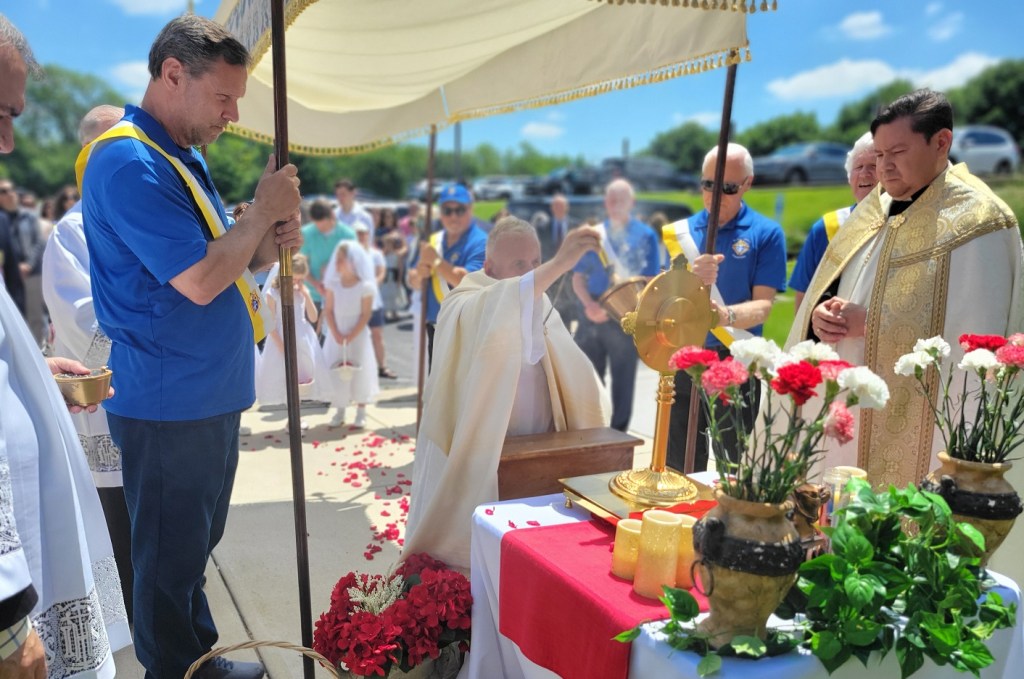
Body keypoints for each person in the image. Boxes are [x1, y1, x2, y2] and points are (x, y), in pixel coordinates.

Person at [80, 14, 302, 679]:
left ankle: (196, 656)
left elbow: (222, 260)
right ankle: (175, 669)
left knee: (191, 548)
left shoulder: (177, 153)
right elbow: (202, 280)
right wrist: (260, 212)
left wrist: (268, 235)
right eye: (224, 98)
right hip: (170, 398)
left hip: (202, 392)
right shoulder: (128, 159)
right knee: (167, 559)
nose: (233, 114)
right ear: (173, 75)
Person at [788, 89, 1024, 493]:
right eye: (878, 155)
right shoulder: (875, 208)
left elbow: (978, 340)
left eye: (896, 152)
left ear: (941, 142)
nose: (884, 167)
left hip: (928, 428)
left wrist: (874, 322)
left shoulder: (980, 221)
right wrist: (822, 317)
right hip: (855, 407)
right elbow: (839, 286)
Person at [0, 14, 129, 677]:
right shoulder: (73, 231)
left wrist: (28, 368)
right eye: (1, 111)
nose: (9, 141)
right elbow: (87, 315)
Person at [404, 216, 609, 569]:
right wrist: (559, 263)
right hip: (485, 448)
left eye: (535, 262)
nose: (530, 272)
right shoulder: (465, 299)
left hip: (538, 446)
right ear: (489, 266)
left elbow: (569, 363)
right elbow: (498, 305)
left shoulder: (538, 298)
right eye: (518, 264)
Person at [40, 103, 136, 622]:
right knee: (124, 537)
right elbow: (83, 321)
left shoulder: (148, 217)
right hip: (111, 406)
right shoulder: (72, 232)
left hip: (165, 402)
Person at [663, 143, 787, 472]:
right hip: (685, 358)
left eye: (728, 188)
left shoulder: (766, 233)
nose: (716, 195)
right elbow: (662, 297)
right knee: (680, 464)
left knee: (735, 466)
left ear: (747, 183)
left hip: (734, 357)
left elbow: (763, 306)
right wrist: (688, 278)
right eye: (708, 184)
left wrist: (723, 316)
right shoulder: (682, 234)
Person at [572, 178, 661, 431]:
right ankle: (592, 430)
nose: (615, 204)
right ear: (605, 202)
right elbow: (577, 278)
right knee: (590, 381)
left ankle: (618, 436)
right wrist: (589, 306)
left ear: (631, 202)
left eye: (621, 199)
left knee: (624, 382)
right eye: (611, 199)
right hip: (592, 316)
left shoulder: (646, 236)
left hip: (625, 318)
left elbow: (651, 280)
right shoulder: (595, 235)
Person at [789, 132, 877, 310]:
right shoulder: (827, 227)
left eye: (873, 166)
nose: (864, 174)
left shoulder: (906, 223)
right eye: (858, 166)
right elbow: (804, 298)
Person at [407, 183, 487, 364]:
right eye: (447, 210)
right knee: (437, 389)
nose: (453, 216)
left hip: (465, 330)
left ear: (470, 209)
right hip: (435, 327)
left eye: (460, 210)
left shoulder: (480, 241)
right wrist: (419, 273)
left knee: (462, 390)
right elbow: (413, 280)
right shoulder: (434, 241)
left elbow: (467, 281)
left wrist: (435, 261)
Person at [256, 253, 334, 415]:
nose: (296, 283)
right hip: (281, 340)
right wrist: (283, 348)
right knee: (285, 380)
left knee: (302, 381)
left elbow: (312, 317)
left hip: (303, 339)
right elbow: (270, 325)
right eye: (294, 278)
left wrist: (306, 294)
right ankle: (292, 418)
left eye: (300, 279)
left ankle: (296, 417)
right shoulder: (273, 294)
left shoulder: (301, 292)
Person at [322, 240, 379, 428]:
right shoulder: (333, 286)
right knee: (338, 371)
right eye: (336, 260)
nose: (337, 264)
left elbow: (366, 314)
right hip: (337, 333)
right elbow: (328, 310)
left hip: (358, 334)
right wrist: (336, 333)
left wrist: (352, 334)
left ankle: (361, 411)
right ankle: (340, 409)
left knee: (359, 370)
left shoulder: (365, 286)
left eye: (342, 260)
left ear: (353, 262)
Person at [299, 197, 356, 320]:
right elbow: (298, 263)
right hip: (313, 296)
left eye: (324, 225)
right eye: (317, 225)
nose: (320, 229)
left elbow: (354, 266)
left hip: (341, 296)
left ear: (332, 216)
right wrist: (315, 283)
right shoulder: (306, 233)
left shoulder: (348, 235)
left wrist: (334, 269)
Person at [355, 222, 397, 379]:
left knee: (377, 334)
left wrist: (372, 285)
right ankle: (360, 368)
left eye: (364, 233)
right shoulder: (348, 254)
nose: (361, 236)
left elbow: (381, 272)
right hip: (355, 302)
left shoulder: (375, 253)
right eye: (358, 233)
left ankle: (382, 366)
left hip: (374, 301)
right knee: (357, 335)